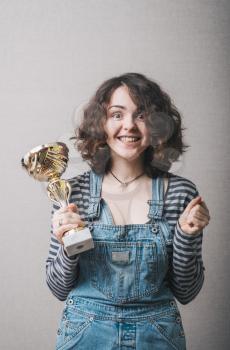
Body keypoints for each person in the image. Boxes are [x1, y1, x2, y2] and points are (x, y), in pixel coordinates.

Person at [46, 73, 210, 350]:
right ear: (101, 123)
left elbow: (186, 292)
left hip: (157, 334)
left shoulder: (181, 193)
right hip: (85, 333)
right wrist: (67, 244)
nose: (129, 126)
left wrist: (186, 236)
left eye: (142, 115)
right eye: (117, 115)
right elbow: (58, 289)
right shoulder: (73, 193)